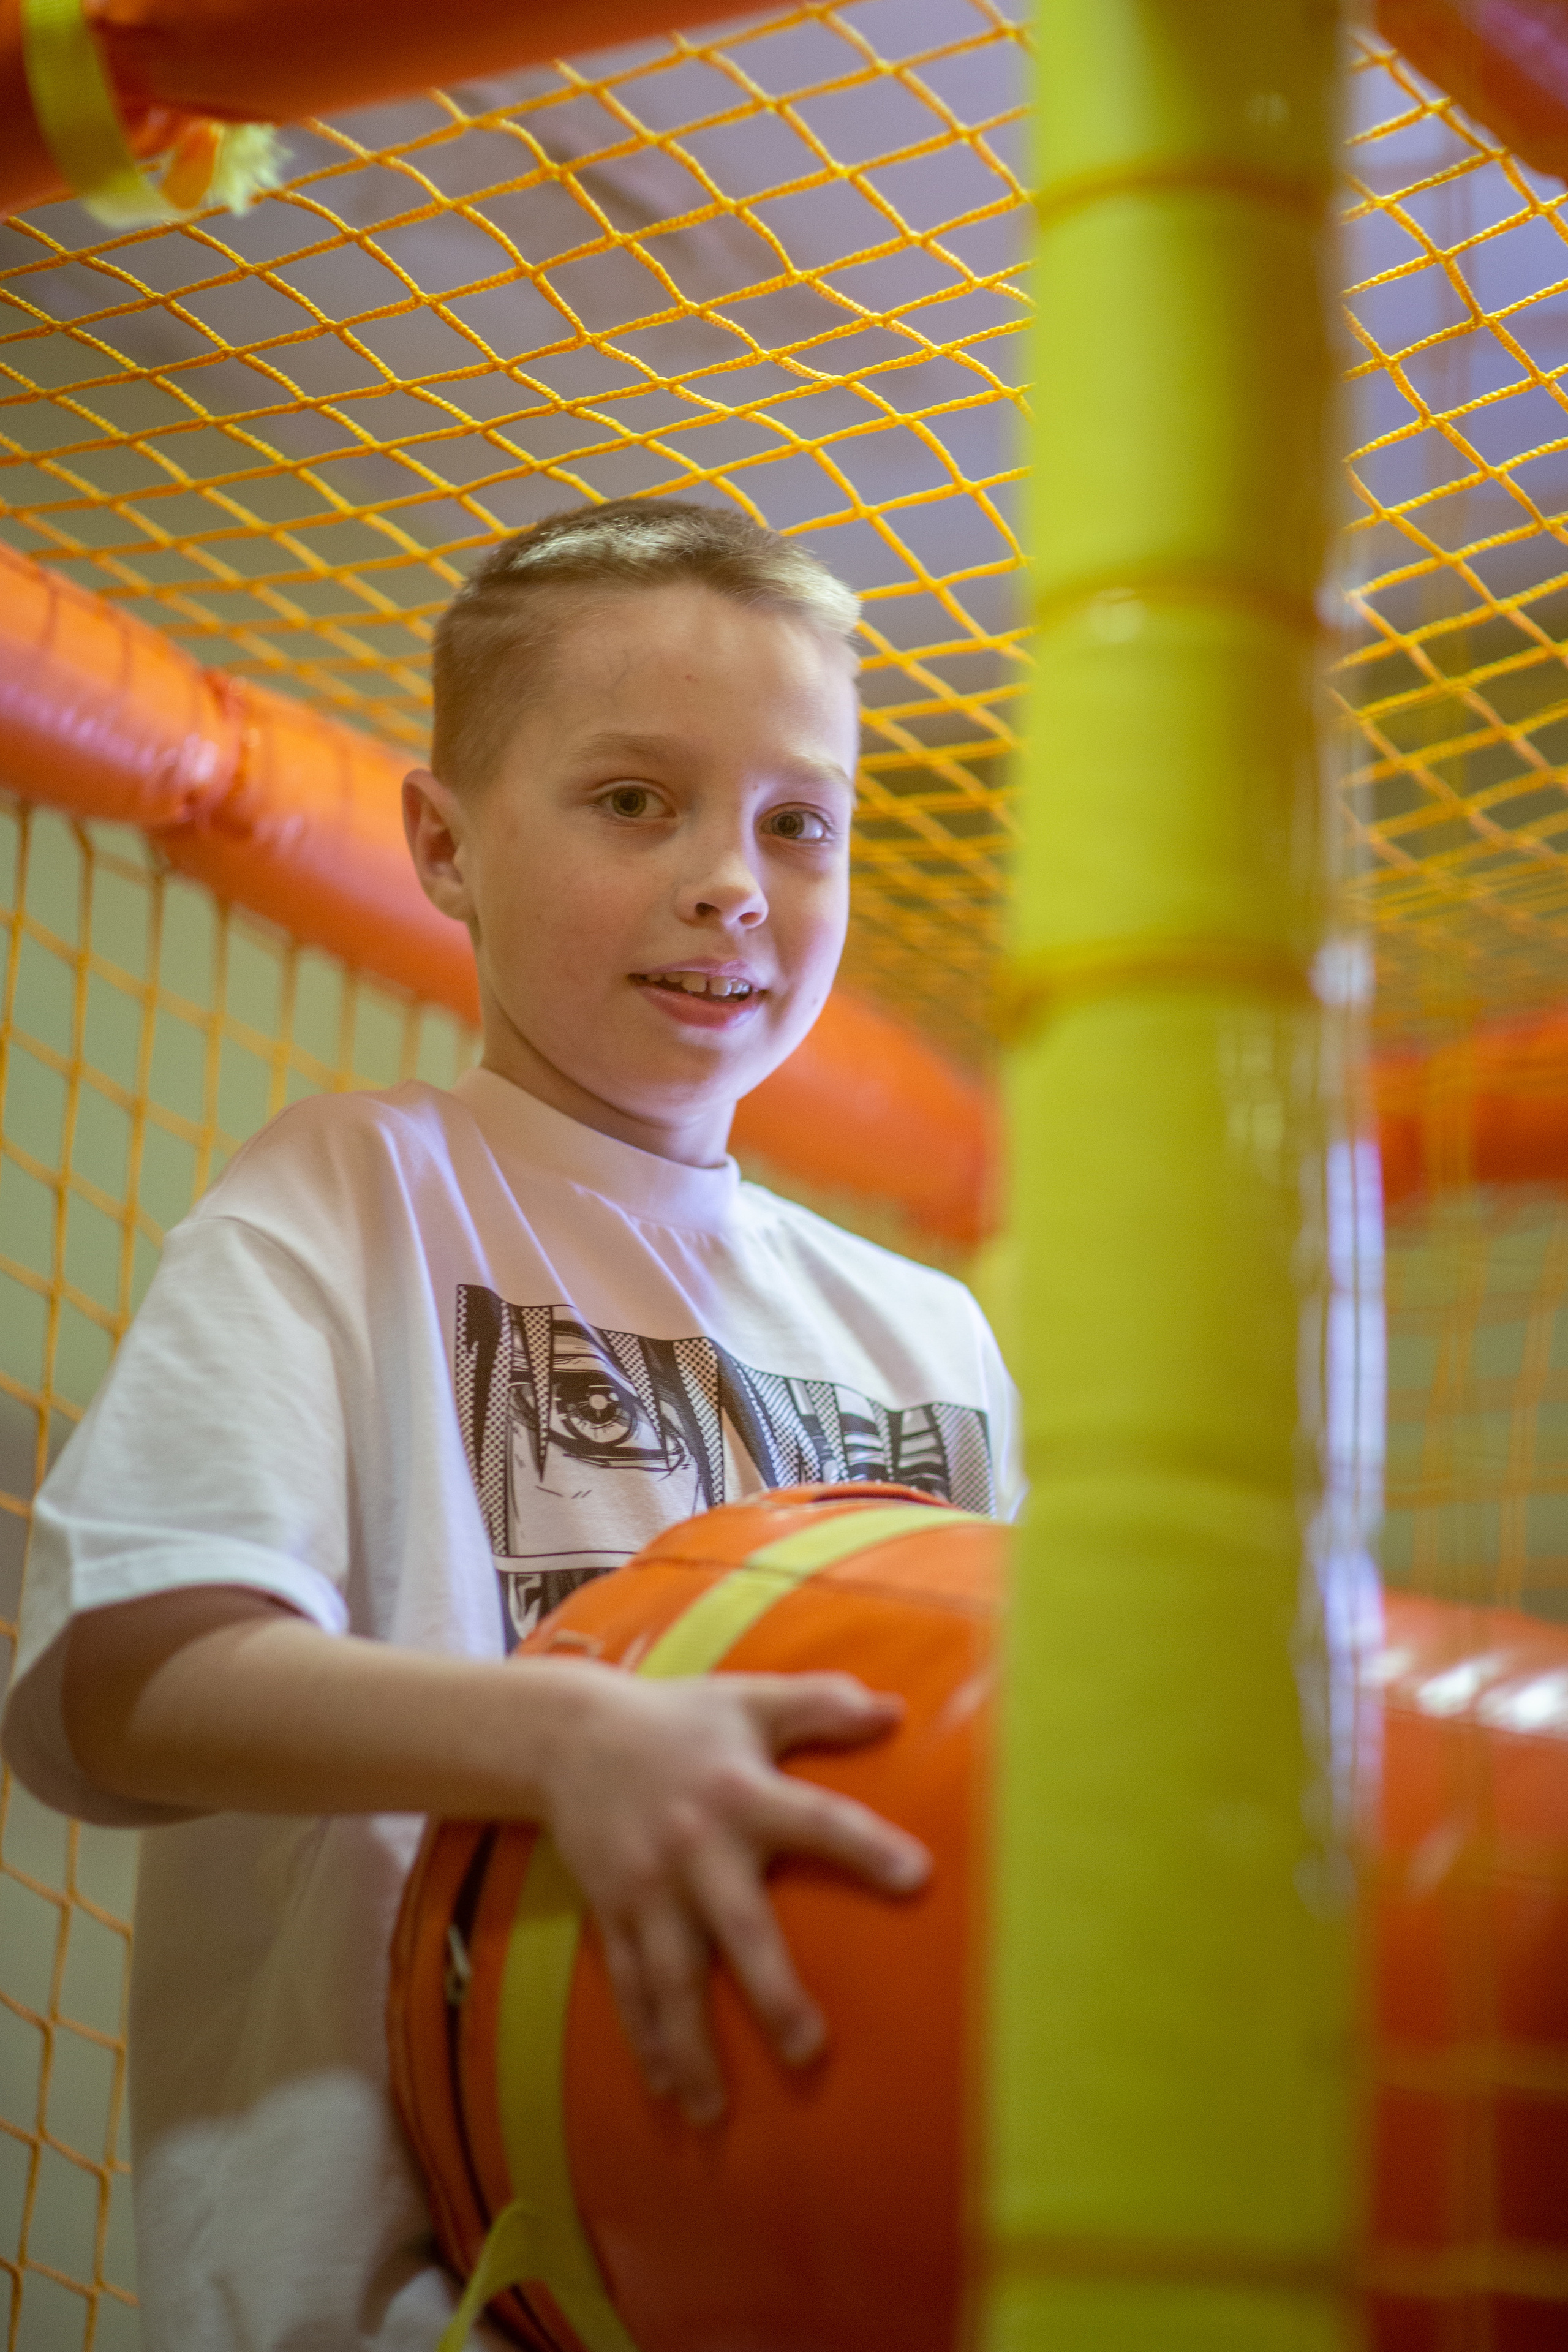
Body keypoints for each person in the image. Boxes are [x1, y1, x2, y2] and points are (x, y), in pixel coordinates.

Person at [1, 499, 1019, 2350]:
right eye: (639, 800)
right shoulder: (359, 1192)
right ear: (444, 845)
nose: (734, 877)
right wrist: (565, 1740)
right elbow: (110, 1691)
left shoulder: (929, 1336)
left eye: (801, 822)